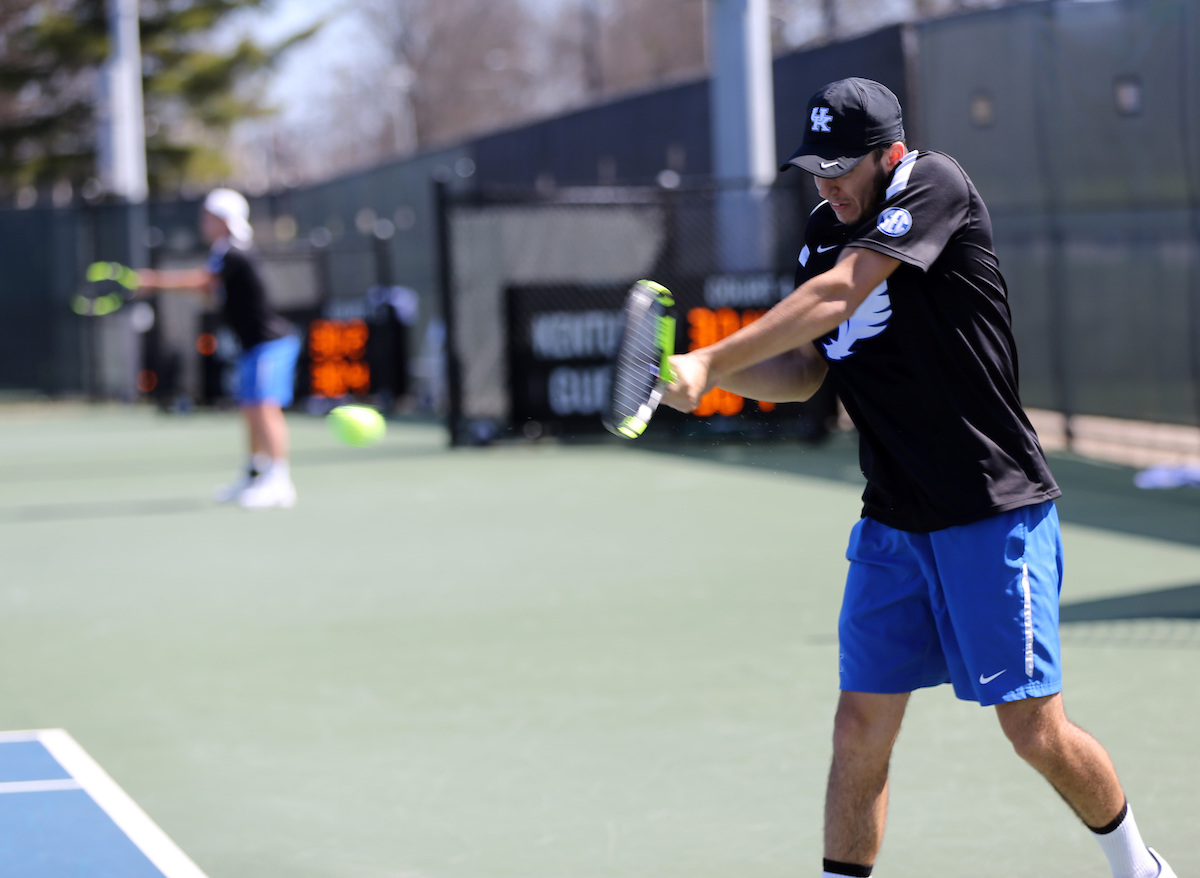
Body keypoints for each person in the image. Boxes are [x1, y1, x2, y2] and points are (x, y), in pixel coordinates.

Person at [663, 78, 1176, 878]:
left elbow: (842, 295)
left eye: (841, 165)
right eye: (815, 165)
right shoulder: (821, 229)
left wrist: (711, 358)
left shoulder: (935, 184)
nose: (827, 182)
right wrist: (703, 381)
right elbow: (803, 374)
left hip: (989, 505)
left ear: (888, 154)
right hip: (893, 519)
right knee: (858, 727)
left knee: (1033, 731)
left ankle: (1137, 865)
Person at [139, 188, 300, 510]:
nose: (202, 221)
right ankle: (255, 473)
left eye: (208, 216)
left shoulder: (234, 252)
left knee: (265, 407)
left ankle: (281, 481)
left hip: (271, 344)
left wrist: (154, 281)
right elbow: (211, 293)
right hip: (252, 345)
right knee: (250, 407)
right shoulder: (222, 253)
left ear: (224, 221)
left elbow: (203, 283)